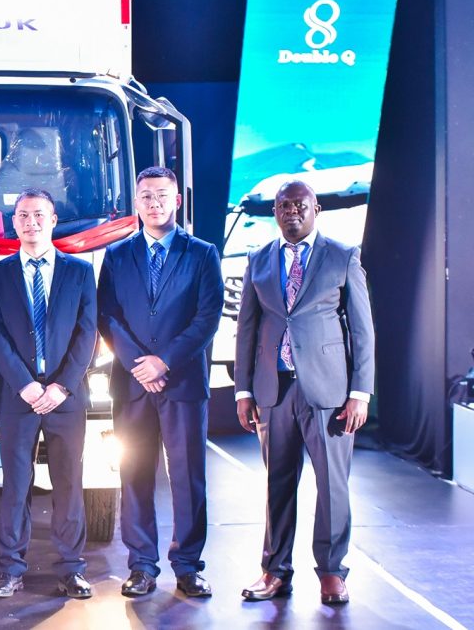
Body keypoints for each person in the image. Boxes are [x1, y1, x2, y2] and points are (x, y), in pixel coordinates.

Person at [235, 179, 375, 605]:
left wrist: (360, 393)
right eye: (282, 206)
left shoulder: (342, 256)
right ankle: (274, 571)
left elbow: (363, 331)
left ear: (316, 209)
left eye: (299, 205)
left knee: (332, 486)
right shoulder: (259, 260)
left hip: (329, 394)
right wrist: (243, 390)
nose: (290, 212)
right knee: (277, 485)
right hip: (273, 392)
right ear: (275, 212)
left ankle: (332, 572)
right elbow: (247, 330)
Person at [97, 166, 223, 598]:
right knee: (134, 472)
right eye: (146, 196)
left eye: (162, 196)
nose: (154, 203)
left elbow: (207, 318)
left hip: (182, 383)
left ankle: (188, 566)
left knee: (188, 476)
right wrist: (139, 363)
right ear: (136, 203)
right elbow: (107, 315)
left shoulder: (202, 254)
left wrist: (164, 361)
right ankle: (142, 565)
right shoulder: (116, 256)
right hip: (132, 385)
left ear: (177, 201)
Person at [0, 188, 97, 599]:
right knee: (16, 484)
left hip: (67, 396)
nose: (30, 222)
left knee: (69, 482)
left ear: (52, 220)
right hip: (19, 396)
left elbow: (88, 333)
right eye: (23, 215)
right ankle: (10, 569)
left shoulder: (80, 272)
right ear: (14, 223)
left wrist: (62, 385)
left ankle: (71, 568)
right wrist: (28, 385)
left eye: (38, 215)